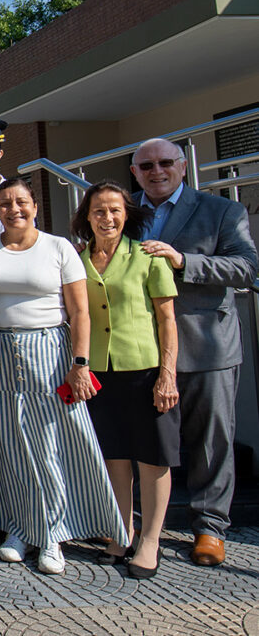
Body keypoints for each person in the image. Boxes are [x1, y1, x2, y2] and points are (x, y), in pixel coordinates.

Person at [0, 178, 128, 575]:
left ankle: (53, 532)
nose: (13, 209)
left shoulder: (58, 247)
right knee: (10, 446)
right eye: (5, 203)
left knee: (52, 446)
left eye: (21, 202)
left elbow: (80, 312)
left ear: (35, 205)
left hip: (50, 354)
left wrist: (80, 363)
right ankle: (20, 527)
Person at [130, 138, 258, 567]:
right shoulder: (123, 211)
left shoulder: (220, 210)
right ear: (135, 172)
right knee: (148, 440)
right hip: (142, 348)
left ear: (183, 167)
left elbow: (247, 268)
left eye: (166, 163)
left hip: (205, 344)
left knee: (210, 441)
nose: (156, 171)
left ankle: (209, 527)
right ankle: (144, 523)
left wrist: (183, 261)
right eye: (146, 165)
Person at [73, 180, 179, 579]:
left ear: (127, 214)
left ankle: (150, 539)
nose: (107, 217)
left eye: (115, 210)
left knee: (152, 457)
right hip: (100, 372)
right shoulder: (79, 258)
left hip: (146, 369)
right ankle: (123, 530)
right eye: (99, 210)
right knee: (114, 456)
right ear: (87, 216)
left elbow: (167, 321)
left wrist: (167, 374)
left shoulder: (149, 257)